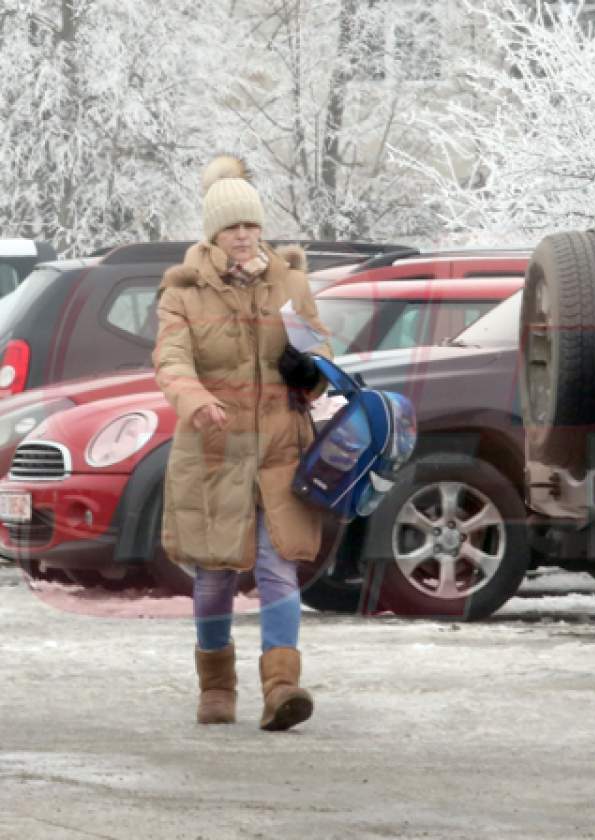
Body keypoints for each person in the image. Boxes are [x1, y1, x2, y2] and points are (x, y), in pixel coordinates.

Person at [154, 155, 331, 730]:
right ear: (214, 233)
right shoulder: (183, 292)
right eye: (233, 227)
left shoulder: (290, 284)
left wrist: (313, 370)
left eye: (252, 225)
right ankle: (216, 687)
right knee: (215, 573)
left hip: (282, 449)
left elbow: (322, 352)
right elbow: (171, 360)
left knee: (280, 566)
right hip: (215, 450)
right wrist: (196, 400)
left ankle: (282, 687)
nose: (244, 236)